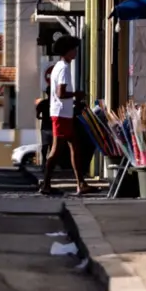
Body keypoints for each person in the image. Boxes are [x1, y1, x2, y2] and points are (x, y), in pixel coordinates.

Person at [40, 36, 91, 195]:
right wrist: (77, 94)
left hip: (63, 113)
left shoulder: (59, 67)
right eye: (74, 49)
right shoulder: (64, 68)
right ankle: (46, 184)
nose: (76, 51)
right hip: (61, 114)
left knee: (74, 146)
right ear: (67, 51)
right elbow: (61, 93)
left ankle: (80, 183)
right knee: (56, 151)